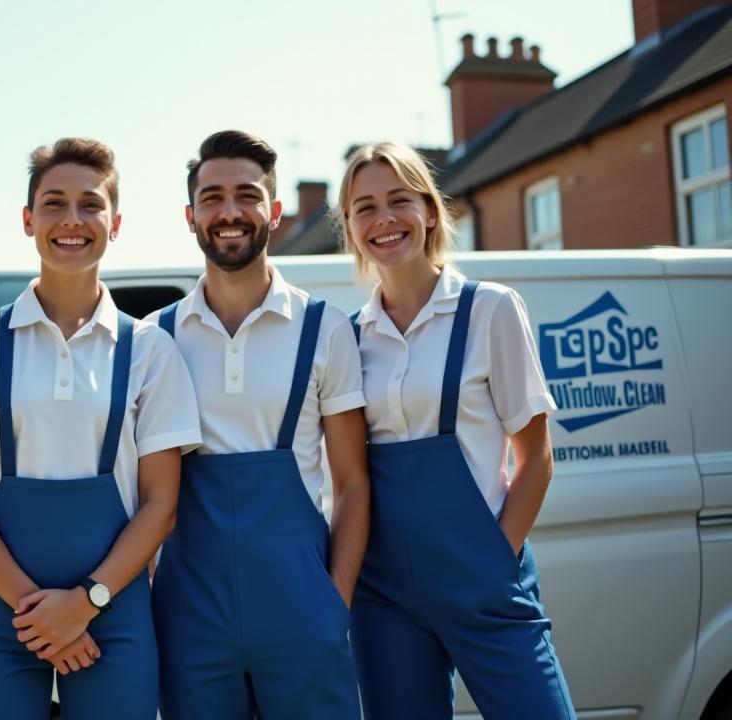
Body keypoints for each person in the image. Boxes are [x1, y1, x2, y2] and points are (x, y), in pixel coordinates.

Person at [0, 137, 201, 720]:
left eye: (90, 205)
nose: (72, 220)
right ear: (27, 219)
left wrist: (86, 603)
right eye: (54, 203)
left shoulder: (150, 349)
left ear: (115, 223)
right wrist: (45, 615)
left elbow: (161, 506)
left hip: (115, 610)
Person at [339, 141, 575, 719]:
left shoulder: (490, 309)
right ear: (348, 228)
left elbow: (535, 453)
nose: (384, 219)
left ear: (431, 212)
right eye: (365, 207)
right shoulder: (346, 337)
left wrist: (498, 557)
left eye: (399, 200)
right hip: (384, 593)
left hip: (483, 579)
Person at [149, 130, 369, 719]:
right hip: (189, 618)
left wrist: (333, 604)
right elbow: (142, 493)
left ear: (272, 210)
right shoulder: (156, 338)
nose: (229, 211)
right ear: (190, 215)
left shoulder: (325, 328)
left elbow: (351, 482)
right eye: (212, 196)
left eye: (246, 195)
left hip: (302, 614)